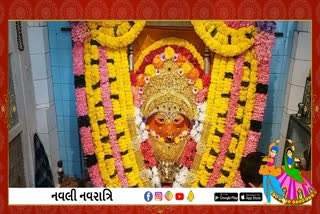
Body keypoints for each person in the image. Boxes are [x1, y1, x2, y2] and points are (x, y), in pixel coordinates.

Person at [274, 139, 317, 205]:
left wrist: (292, 143)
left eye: (290, 152)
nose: (289, 154)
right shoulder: (283, 166)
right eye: (288, 153)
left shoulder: (295, 161)